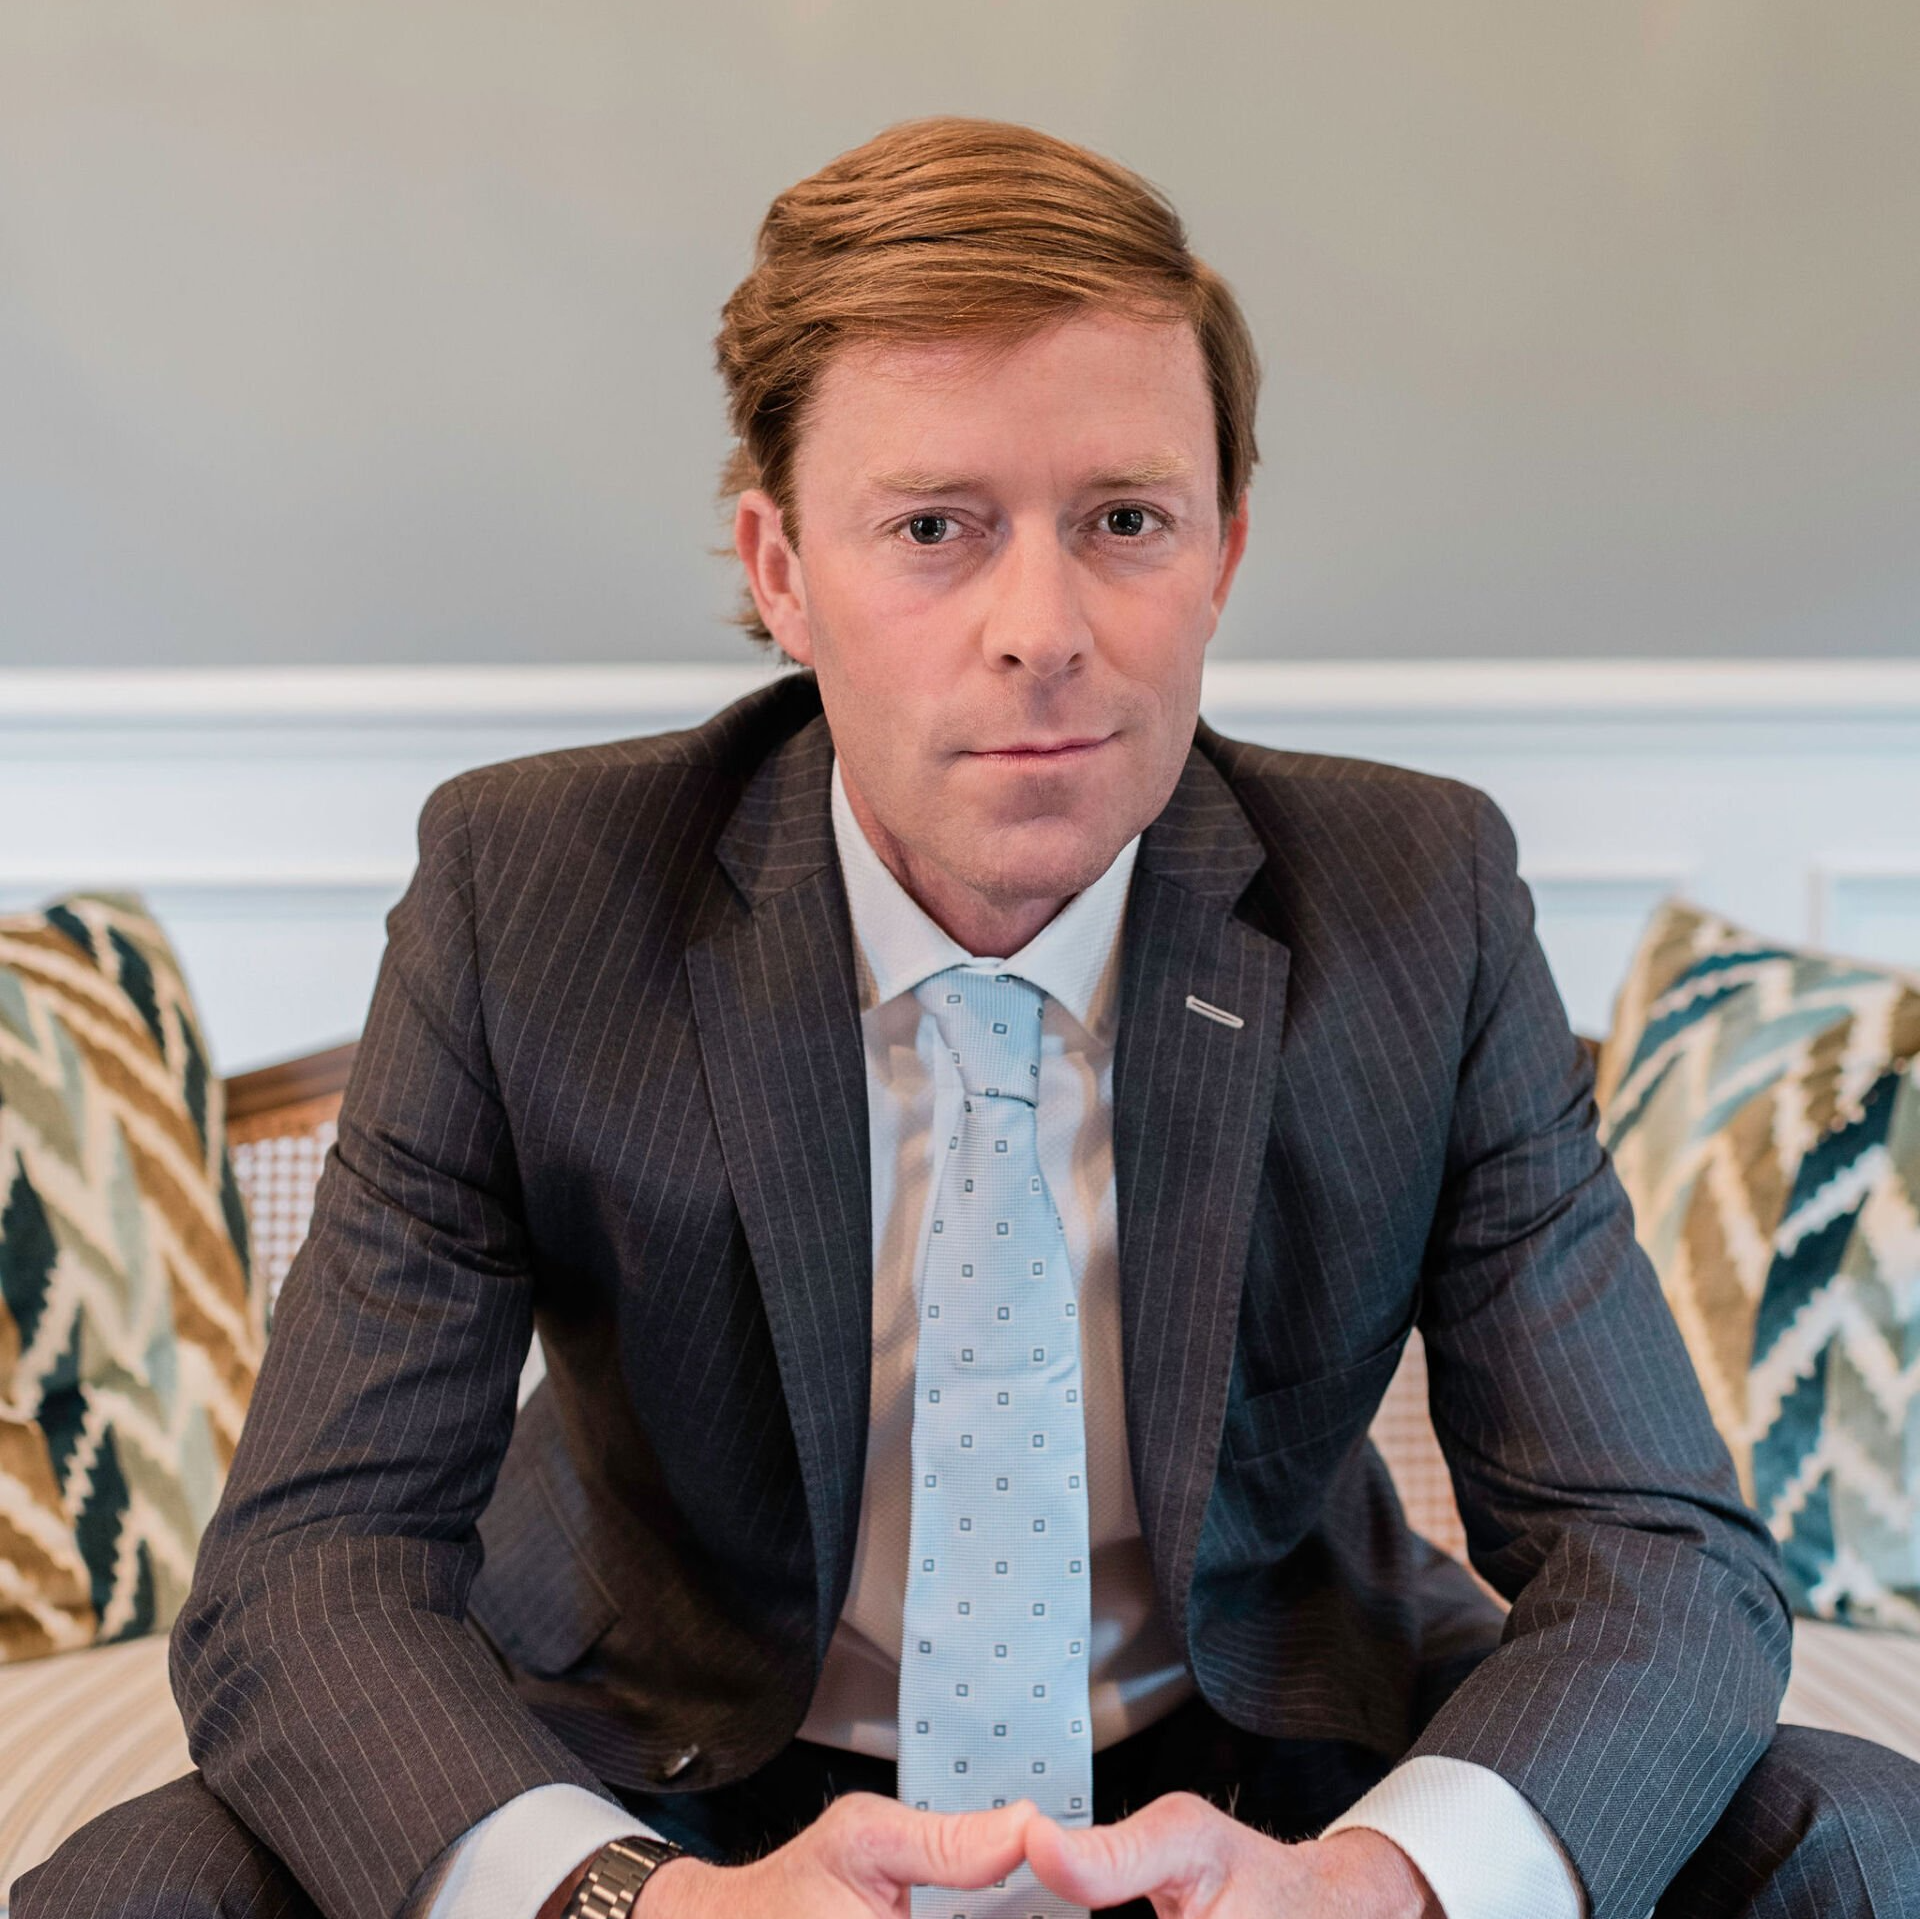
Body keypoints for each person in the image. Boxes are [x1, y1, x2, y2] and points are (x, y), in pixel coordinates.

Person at [14, 116, 1918, 1919]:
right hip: (664, 1767)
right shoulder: (536, 891)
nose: (1044, 625)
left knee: (1855, 1826)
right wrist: (633, 1902)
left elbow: (1656, 1556)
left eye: (1124, 519)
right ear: (779, 571)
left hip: (1264, 1771)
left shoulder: (1415, 899)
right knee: (137, 1887)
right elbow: (312, 1574)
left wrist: (1380, 1884)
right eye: (934, 526)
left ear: (1227, 549)